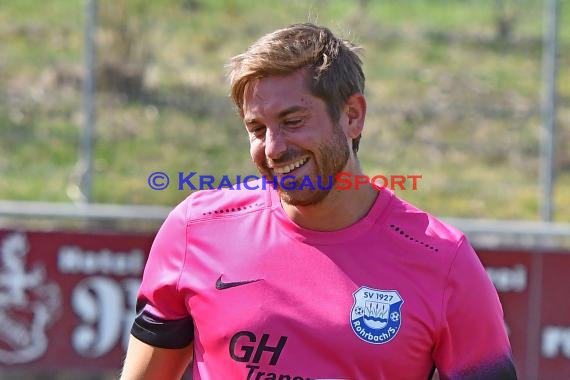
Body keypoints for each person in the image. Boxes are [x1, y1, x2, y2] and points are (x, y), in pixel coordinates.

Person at [120, 23, 517, 379]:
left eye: (293, 121)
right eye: (257, 128)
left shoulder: (443, 261)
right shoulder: (195, 229)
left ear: (352, 116)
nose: (273, 148)